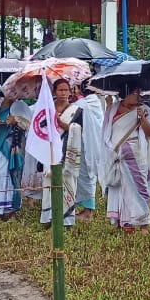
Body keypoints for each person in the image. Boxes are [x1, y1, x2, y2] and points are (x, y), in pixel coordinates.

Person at [103, 84, 150, 232]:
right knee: (119, 188)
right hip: (116, 154)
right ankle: (125, 222)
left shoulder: (146, 110)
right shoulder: (112, 109)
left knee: (139, 187)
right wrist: (112, 151)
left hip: (137, 153)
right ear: (125, 94)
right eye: (134, 93)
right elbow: (106, 133)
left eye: (140, 93)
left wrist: (142, 119)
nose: (138, 96)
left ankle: (144, 223)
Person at [43, 79, 79, 227]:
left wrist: (59, 122)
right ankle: (48, 217)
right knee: (48, 182)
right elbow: (41, 128)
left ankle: (67, 219)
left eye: (66, 90)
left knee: (67, 182)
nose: (63, 93)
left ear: (70, 92)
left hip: (67, 150)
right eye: (60, 90)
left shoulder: (76, 110)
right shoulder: (47, 109)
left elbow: (77, 129)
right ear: (54, 92)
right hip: (50, 150)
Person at [74, 85, 107, 220]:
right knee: (82, 177)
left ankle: (88, 212)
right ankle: (79, 208)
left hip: (89, 144)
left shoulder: (87, 103)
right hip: (85, 143)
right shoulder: (92, 102)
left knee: (87, 177)